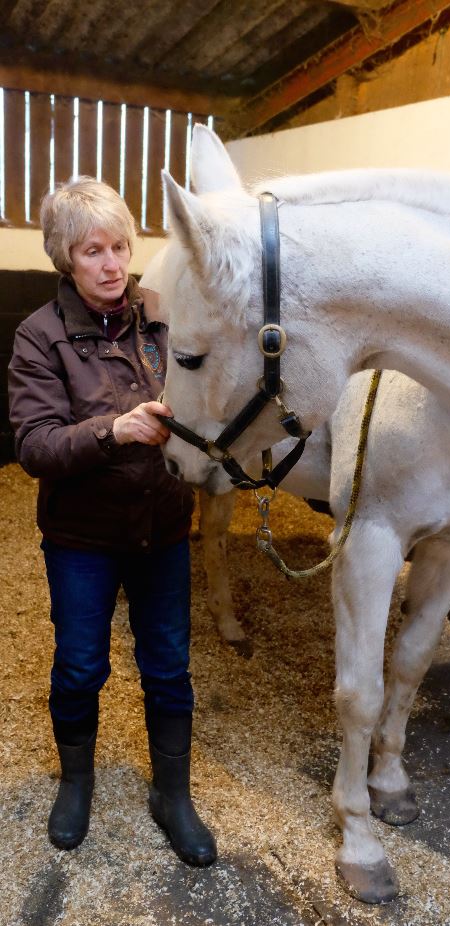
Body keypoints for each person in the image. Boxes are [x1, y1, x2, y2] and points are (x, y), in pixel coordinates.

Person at [8, 176, 216, 867]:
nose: (111, 264)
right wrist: (115, 429)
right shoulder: (39, 337)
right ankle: (76, 782)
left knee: (169, 667)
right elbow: (35, 447)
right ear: (65, 258)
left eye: (119, 247)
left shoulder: (162, 315)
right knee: (79, 666)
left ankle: (172, 795)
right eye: (92, 251)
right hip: (83, 539)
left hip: (164, 529)